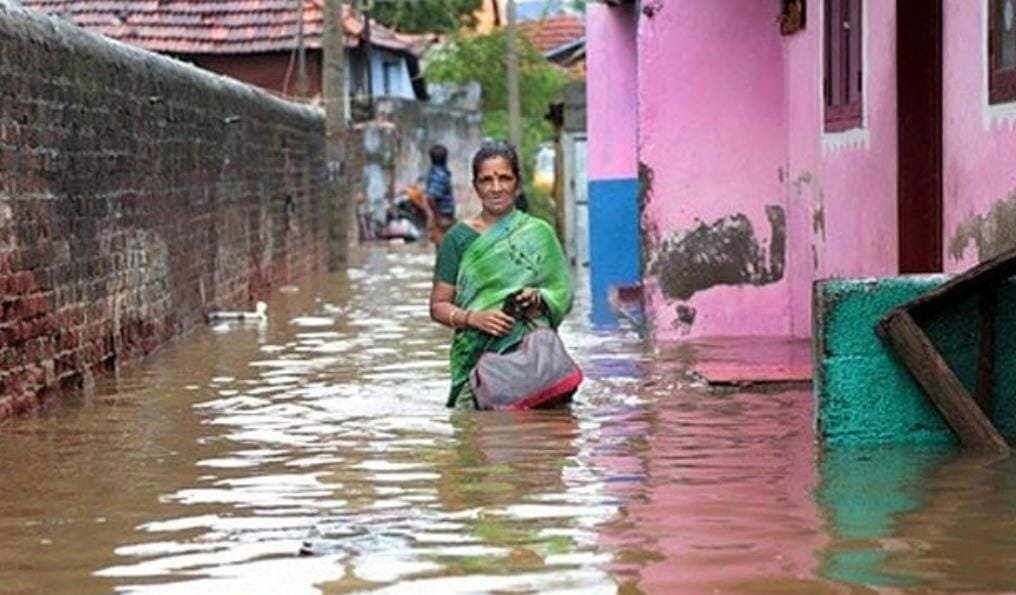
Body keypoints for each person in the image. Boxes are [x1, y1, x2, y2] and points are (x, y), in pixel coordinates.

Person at [429, 141, 573, 409]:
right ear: (476, 186)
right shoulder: (457, 239)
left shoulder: (539, 234)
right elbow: (438, 306)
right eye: (486, 180)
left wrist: (538, 299)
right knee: (475, 436)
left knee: (544, 435)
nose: (496, 188)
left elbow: (562, 292)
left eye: (504, 178)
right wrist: (474, 319)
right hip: (477, 358)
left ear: (517, 183)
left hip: (535, 360)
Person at [424, 144, 456, 247]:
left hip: (444, 215)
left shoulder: (435, 173)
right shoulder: (440, 175)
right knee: (445, 247)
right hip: (443, 215)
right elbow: (431, 197)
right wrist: (438, 217)